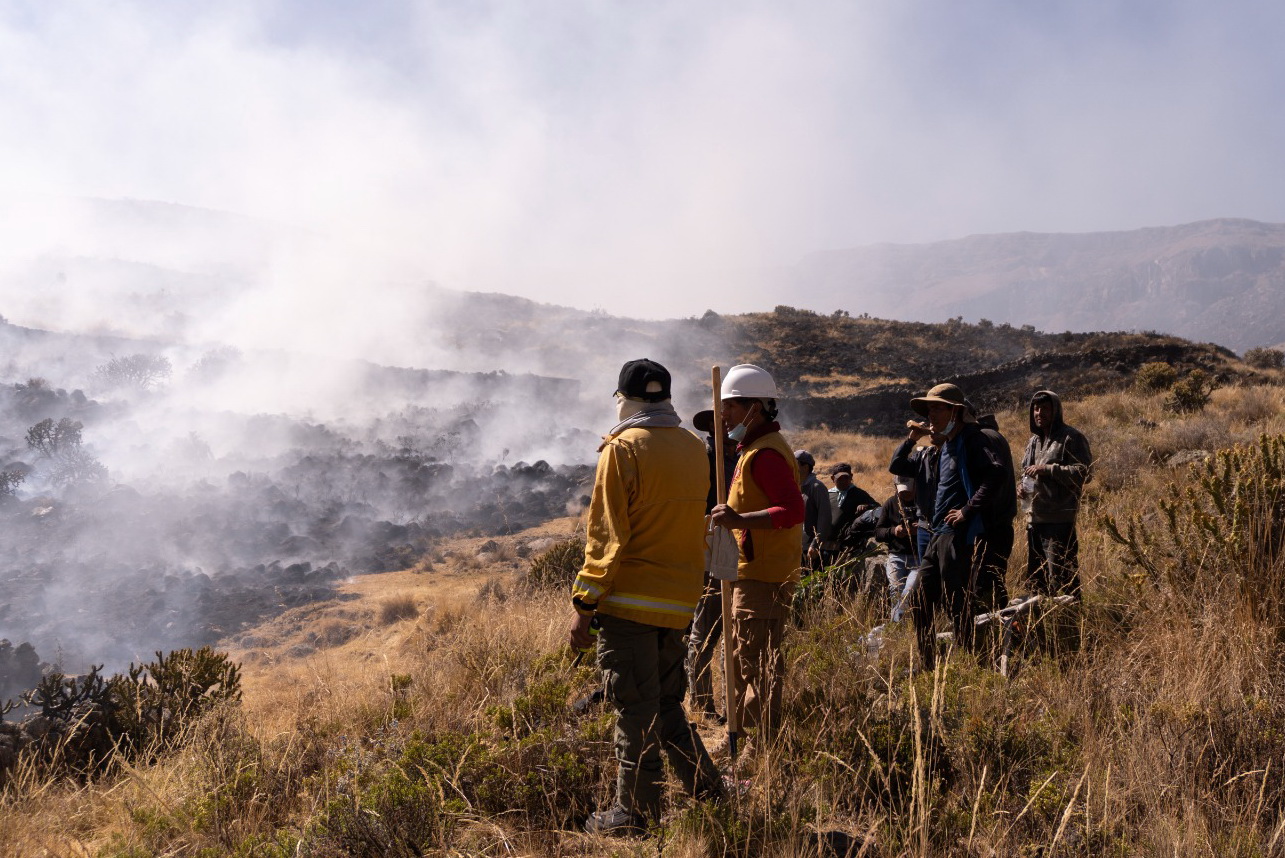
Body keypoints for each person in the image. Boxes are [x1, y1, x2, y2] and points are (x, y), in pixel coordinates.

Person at [569, 359, 723, 835]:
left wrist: (584, 606)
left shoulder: (622, 449)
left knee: (633, 709)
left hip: (630, 604)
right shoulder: (694, 448)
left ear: (624, 400)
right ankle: (708, 791)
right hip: (679, 603)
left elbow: (606, 537)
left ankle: (633, 815)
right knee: (667, 704)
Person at [709, 364, 804, 748]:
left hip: (763, 578)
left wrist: (737, 518)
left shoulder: (765, 455)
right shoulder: (752, 450)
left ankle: (756, 749)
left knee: (756, 666)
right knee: (742, 659)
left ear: (755, 408)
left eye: (730, 406)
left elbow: (792, 511)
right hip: (752, 574)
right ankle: (745, 740)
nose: (724, 414)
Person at [891, 383, 1008, 671]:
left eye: (937, 407)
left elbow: (996, 474)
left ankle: (972, 663)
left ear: (956, 411)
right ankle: (928, 663)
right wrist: (911, 439)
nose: (930, 413)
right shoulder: (946, 445)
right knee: (920, 599)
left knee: (958, 603)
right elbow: (897, 465)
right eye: (928, 407)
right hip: (937, 535)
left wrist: (967, 510)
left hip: (959, 536)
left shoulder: (972, 438)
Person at [685, 409, 737, 724]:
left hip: (735, 553)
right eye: (723, 427)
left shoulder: (736, 461)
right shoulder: (704, 461)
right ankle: (702, 705)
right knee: (705, 632)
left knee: (728, 631)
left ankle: (728, 702)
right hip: (710, 553)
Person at [1018, 390, 1093, 597]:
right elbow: (1024, 471)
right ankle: (1043, 623)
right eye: (1036, 408)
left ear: (1056, 411)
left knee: (1063, 579)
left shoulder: (1071, 437)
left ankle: (1071, 623)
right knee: (1037, 581)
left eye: (1044, 408)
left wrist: (1048, 469)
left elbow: (1084, 473)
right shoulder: (1034, 441)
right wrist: (1021, 486)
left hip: (1059, 521)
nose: (1039, 412)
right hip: (1034, 520)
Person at [874, 481, 919, 615]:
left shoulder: (924, 501)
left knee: (908, 591)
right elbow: (878, 533)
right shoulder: (890, 503)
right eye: (902, 492)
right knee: (896, 590)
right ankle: (899, 623)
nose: (905, 495)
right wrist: (894, 531)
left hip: (918, 558)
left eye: (908, 492)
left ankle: (897, 622)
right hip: (896, 556)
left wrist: (921, 529)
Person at [824, 463, 880, 557]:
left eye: (846, 478)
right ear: (833, 479)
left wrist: (866, 506)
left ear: (851, 477)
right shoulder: (828, 494)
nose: (843, 481)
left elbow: (877, 508)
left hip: (845, 546)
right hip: (824, 544)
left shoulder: (858, 493)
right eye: (840, 478)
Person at [795, 450, 831, 571]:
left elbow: (824, 518)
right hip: (797, 546)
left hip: (810, 548)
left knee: (812, 584)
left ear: (805, 467)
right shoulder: (798, 486)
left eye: (795, 464)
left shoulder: (817, 487)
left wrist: (815, 544)